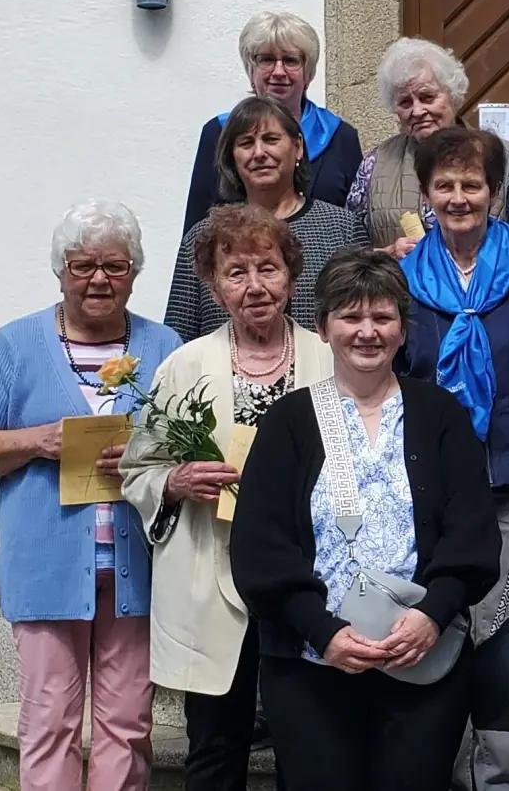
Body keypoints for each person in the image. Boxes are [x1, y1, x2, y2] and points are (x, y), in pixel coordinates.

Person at [230, 248, 500, 791]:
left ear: (403, 329)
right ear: (323, 326)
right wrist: (323, 631)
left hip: (423, 658)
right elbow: (259, 548)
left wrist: (433, 614)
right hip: (312, 665)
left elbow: (471, 533)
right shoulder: (289, 422)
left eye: (382, 317)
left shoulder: (440, 415)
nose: (367, 332)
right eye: (351, 316)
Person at [0, 201, 183, 791]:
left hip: (139, 565)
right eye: (83, 266)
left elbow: (187, 446)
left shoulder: (163, 347)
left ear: (135, 272)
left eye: (115, 265)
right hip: (47, 564)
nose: (99, 279)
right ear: (60, 270)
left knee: (127, 723)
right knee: (49, 720)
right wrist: (38, 440)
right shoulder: (18, 344)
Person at [121, 206, 334, 790]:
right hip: (210, 575)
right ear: (214, 287)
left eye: (268, 267)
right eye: (236, 272)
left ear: (291, 274)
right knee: (214, 748)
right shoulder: (183, 366)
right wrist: (175, 480)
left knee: (308, 744)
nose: (255, 286)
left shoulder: (330, 357)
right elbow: (139, 469)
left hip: (307, 577)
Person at [390, 126, 509, 791]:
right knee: (439, 639)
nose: (459, 196)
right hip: (427, 487)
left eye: (473, 184)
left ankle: (501, 783)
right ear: (427, 193)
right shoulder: (402, 275)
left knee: (502, 643)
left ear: (495, 193)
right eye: (446, 185)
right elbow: (393, 370)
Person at [167, 95, 370, 342]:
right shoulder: (204, 237)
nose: (259, 153)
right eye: (246, 143)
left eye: (271, 139)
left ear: (298, 147)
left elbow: (366, 319)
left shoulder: (343, 229)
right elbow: (178, 337)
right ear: (232, 157)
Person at [183, 11, 363, 233]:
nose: (279, 72)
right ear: (251, 71)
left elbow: (358, 225)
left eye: (290, 61)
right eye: (267, 59)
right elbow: (197, 226)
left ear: (308, 74)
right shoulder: (219, 133)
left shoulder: (340, 136)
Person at [347, 37, 509, 251]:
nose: (417, 111)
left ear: (453, 96)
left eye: (427, 97)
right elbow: (350, 252)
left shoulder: (505, 158)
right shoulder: (375, 163)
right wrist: (386, 257)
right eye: (405, 102)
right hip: (398, 284)